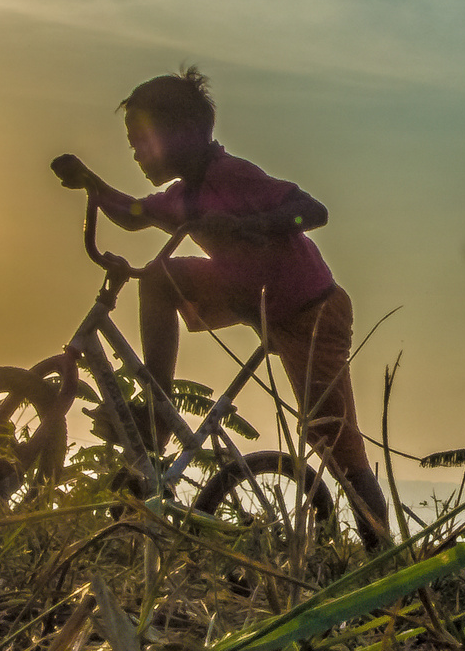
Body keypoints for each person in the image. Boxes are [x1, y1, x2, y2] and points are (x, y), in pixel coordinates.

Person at [51, 66, 390, 549]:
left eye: (143, 140)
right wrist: (91, 183)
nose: (136, 152)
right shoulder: (183, 197)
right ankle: (158, 409)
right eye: (132, 143)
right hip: (247, 295)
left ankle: (381, 550)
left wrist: (255, 223)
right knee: (160, 280)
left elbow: (312, 210)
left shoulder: (234, 177)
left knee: (333, 438)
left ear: (187, 134)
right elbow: (133, 215)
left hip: (309, 310)